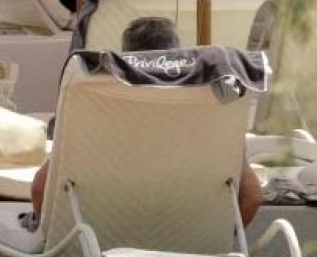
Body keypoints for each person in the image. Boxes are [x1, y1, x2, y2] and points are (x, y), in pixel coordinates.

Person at [28, 16, 262, 226]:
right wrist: (220, 241)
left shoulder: (94, 112)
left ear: (126, 58)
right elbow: (251, 196)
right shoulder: (212, 112)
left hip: (95, 246)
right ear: (177, 53)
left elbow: (41, 189)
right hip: (191, 248)